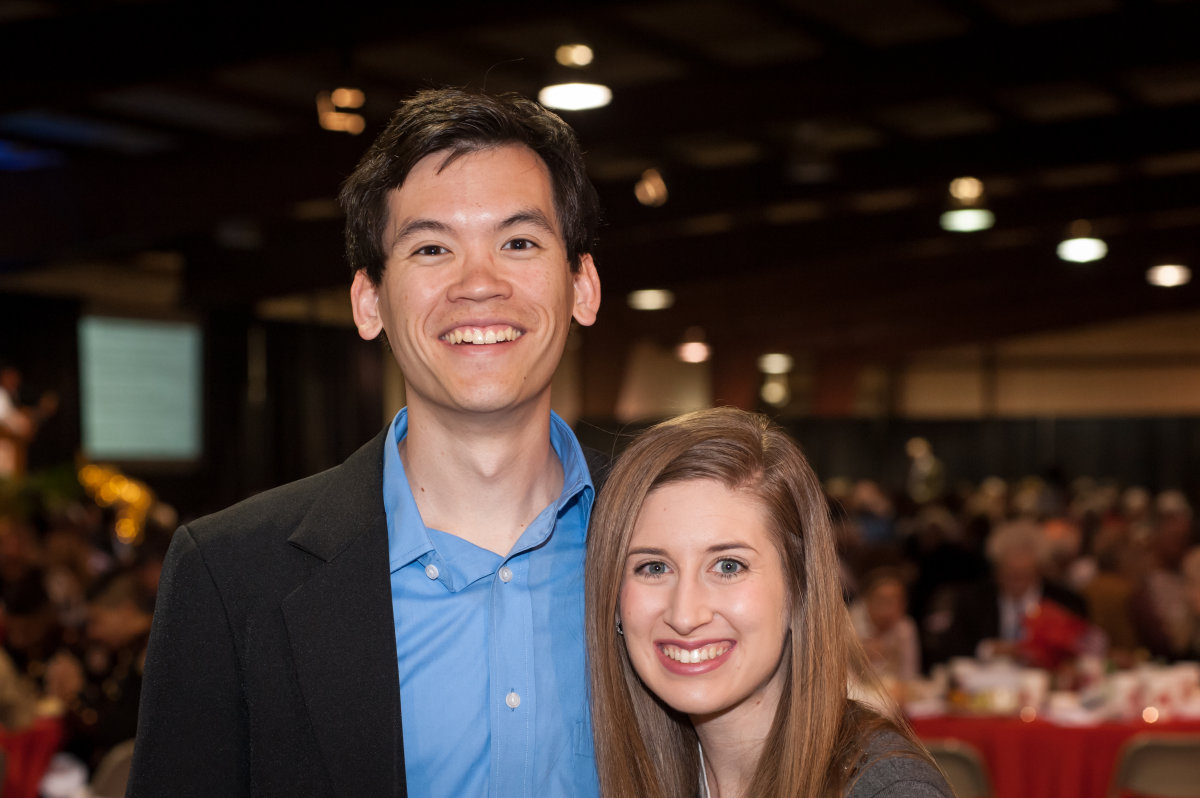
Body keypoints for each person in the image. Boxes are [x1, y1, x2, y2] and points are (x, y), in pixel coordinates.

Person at [128, 88, 603, 798]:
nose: (479, 284)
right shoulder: (231, 577)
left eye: (519, 242)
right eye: (433, 247)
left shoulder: (675, 540)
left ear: (582, 287)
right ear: (369, 301)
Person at [586, 408, 951, 798]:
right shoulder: (614, 774)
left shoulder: (889, 790)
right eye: (653, 567)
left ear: (799, 588)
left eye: (728, 566)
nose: (685, 614)